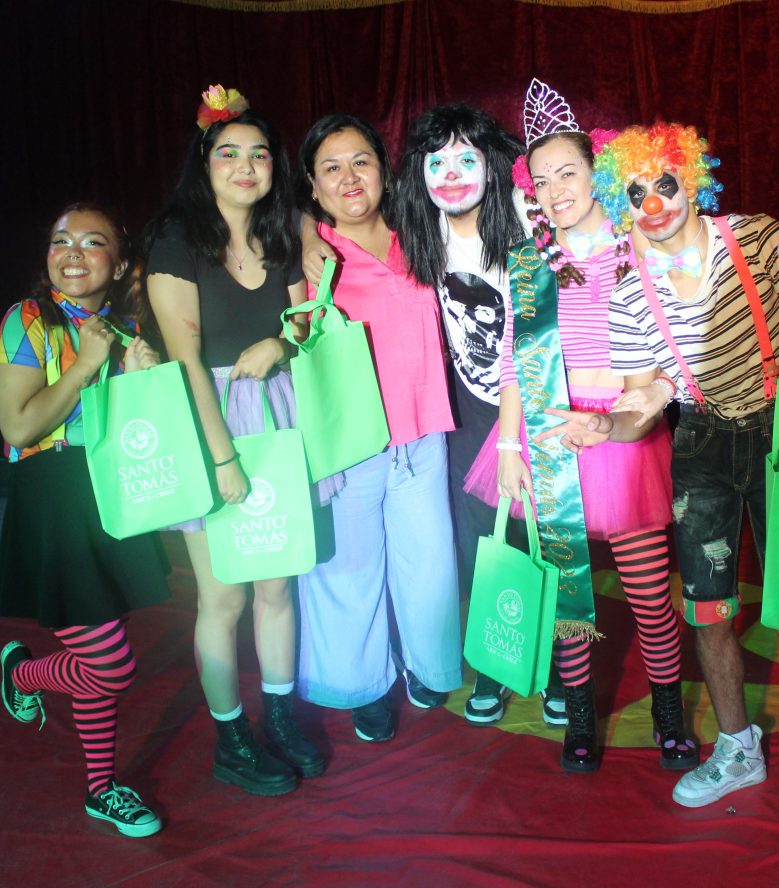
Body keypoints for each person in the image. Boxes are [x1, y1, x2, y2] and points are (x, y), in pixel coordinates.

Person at [543, 122, 779, 859]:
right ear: (620, 202)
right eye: (636, 192)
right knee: (708, 611)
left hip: (776, 439)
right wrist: (607, 426)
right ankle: (737, 748)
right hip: (700, 445)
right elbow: (644, 399)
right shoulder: (628, 289)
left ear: (694, 181)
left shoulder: (760, 238)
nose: (654, 202)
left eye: (666, 183)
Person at [464, 81, 696, 775]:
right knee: (567, 592)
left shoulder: (637, 244)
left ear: (598, 173)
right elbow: (513, 357)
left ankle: (669, 712)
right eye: (541, 180)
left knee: (649, 594)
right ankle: (582, 714)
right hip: (550, 439)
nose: (555, 190)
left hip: (622, 434)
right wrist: (510, 445)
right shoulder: (529, 260)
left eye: (568, 172)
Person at [146, 85, 324, 797]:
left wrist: (282, 341)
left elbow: (304, 322)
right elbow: (186, 362)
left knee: (277, 586)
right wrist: (220, 458)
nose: (245, 167)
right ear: (204, 161)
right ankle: (231, 738)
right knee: (223, 598)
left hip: (276, 419)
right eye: (229, 153)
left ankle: (280, 717)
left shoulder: (280, 237)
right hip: (210, 422)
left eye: (259, 155)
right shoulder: (176, 242)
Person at [391, 104, 574, 727]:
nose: (450, 174)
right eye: (436, 161)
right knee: (479, 539)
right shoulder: (418, 227)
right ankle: (494, 663)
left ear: (492, 166)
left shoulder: (528, 215)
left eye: (465, 159)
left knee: (547, 536)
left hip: (542, 394)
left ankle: (558, 668)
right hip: (469, 404)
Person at [0, 202, 168, 837]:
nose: (72, 252)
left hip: (113, 491)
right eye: (60, 240)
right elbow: (19, 427)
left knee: (103, 643)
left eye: (92, 242)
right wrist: (86, 365)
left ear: (118, 264)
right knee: (110, 662)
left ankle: (101, 789)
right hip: (54, 496)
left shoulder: (125, 328)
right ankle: (24, 674)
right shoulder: (27, 319)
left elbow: (138, 429)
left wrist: (142, 378)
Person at [294, 113, 461, 742]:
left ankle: (429, 666)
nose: (349, 177)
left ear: (384, 172)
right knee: (348, 570)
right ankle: (360, 684)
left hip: (422, 427)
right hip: (349, 440)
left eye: (360, 161)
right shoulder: (311, 256)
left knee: (429, 561)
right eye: (331, 168)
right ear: (314, 187)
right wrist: (302, 228)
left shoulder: (420, 234)